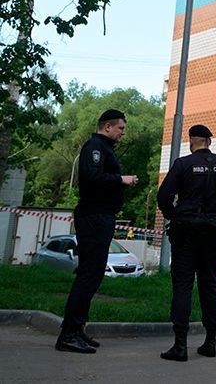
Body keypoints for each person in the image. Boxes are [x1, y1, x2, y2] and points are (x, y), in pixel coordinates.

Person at [157, 125, 216, 362]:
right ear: (209, 141)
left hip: (186, 233)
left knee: (183, 286)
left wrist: (175, 216)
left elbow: (163, 197)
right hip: (214, 232)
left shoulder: (183, 164)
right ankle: (210, 342)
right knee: (210, 285)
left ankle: (180, 345)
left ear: (191, 142)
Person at [55, 109, 139, 354]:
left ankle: (77, 329)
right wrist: (121, 179)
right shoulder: (95, 146)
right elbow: (91, 177)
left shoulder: (105, 148)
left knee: (93, 275)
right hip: (93, 216)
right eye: (121, 128)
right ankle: (68, 335)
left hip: (101, 216)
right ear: (108, 127)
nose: (123, 133)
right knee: (88, 274)